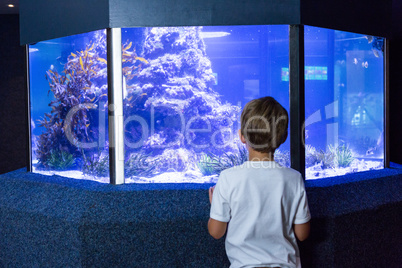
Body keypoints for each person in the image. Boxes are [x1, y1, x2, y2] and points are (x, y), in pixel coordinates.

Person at [208, 96, 310, 268]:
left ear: (241, 136)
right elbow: (302, 234)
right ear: (283, 137)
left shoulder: (228, 178)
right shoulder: (294, 178)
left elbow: (216, 232)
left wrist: (216, 205)